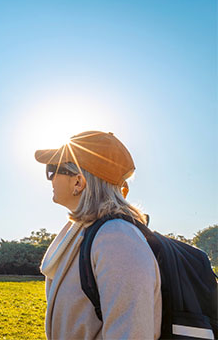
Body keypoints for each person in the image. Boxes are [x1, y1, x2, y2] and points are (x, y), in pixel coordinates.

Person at [34, 131, 161, 340]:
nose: (50, 179)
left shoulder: (118, 240)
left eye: (52, 170)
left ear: (78, 182)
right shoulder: (84, 234)